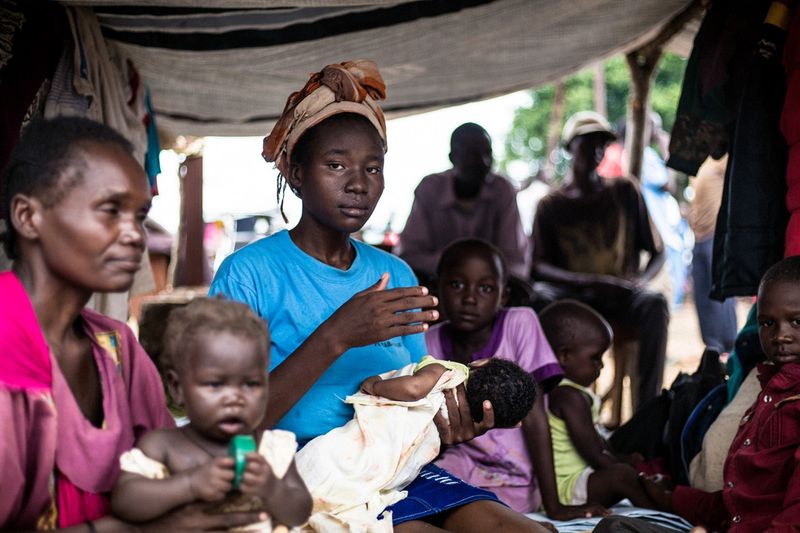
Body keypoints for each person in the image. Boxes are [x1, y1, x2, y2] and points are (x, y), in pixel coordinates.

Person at [209, 59, 551, 532]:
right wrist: (335, 336)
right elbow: (229, 427)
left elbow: (413, 397)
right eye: (336, 165)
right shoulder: (247, 274)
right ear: (294, 171)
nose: (359, 183)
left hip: (398, 469)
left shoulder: (395, 273)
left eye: (373, 168)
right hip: (303, 475)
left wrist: (449, 421)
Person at [0, 116, 262, 531]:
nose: (135, 235)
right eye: (110, 210)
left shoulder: (116, 347)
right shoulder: (6, 350)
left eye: (139, 216)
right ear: (28, 217)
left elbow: (171, 466)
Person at [427, 239, 608, 520]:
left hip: (517, 475)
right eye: (456, 285)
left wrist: (555, 505)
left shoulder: (520, 323)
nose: (470, 298)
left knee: (492, 512)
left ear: (503, 297)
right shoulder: (428, 342)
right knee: (430, 491)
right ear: (438, 287)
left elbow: (535, 418)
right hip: (461, 463)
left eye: (485, 288)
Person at [110, 298, 312, 531]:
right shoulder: (163, 446)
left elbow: (301, 511)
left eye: (251, 384)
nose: (235, 398)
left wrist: (273, 488)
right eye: (216, 385)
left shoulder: (270, 449)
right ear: (177, 388)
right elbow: (125, 502)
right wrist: (189, 485)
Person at [642, 255, 800, 531]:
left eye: (797, 322)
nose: (780, 336)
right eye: (767, 323)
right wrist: (673, 498)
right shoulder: (768, 391)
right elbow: (738, 504)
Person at [296, 356, 536, 531]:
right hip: (397, 471)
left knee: (329, 465)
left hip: (375, 446)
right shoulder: (470, 410)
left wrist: (375, 385)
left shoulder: (445, 369)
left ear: (483, 362)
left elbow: (414, 388)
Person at [531, 110, 669, 409]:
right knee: (539, 298)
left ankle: (649, 411)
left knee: (655, 303)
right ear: (570, 148)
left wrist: (638, 283)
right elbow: (538, 267)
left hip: (620, 295)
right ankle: (549, 405)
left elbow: (658, 252)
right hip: (576, 299)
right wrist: (589, 281)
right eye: (587, 143)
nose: (595, 151)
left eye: (601, 144)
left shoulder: (624, 190)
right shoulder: (551, 204)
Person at [539, 300, 657, 509]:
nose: (601, 365)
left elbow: (597, 442)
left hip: (578, 479)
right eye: (595, 358)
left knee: (626, 463)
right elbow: (594, 453)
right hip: (568, 489)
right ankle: (660, 511)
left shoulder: (570, 391)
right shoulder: (568, 396)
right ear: (564, 356)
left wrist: (623, 458)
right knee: (622, 476)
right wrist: (632, 474)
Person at [396, 122, 531, 282]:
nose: (483, 161)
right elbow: (409, 255)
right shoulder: (430, 189)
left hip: (491, 288)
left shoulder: (502, 190)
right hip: (437, 285)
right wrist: (461, 268)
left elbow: (515, 261)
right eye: (472, 154)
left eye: (488, 153)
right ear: (452, 158)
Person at [688, 155, 737, 354]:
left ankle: (729, 346)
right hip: (699, 238)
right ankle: (712, 348)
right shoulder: (700, 161)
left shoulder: (723, 158)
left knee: (721, 292)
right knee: (702, 294)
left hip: (716, 235)